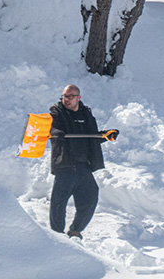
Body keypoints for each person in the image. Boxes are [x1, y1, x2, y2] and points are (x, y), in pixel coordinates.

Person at [48, 84, 117, 240]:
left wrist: (104, 136)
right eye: (65, 96)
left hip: (83, 166)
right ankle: (56, 236)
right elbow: (55, 130)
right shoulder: (57, 112)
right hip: (65, 164)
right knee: (58, 202)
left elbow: (91, 138)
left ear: (78, 98)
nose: (67, 99)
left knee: (91, 197)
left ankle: (75, 230)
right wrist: (58, 134)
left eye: (71, 96)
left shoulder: (86, 114)